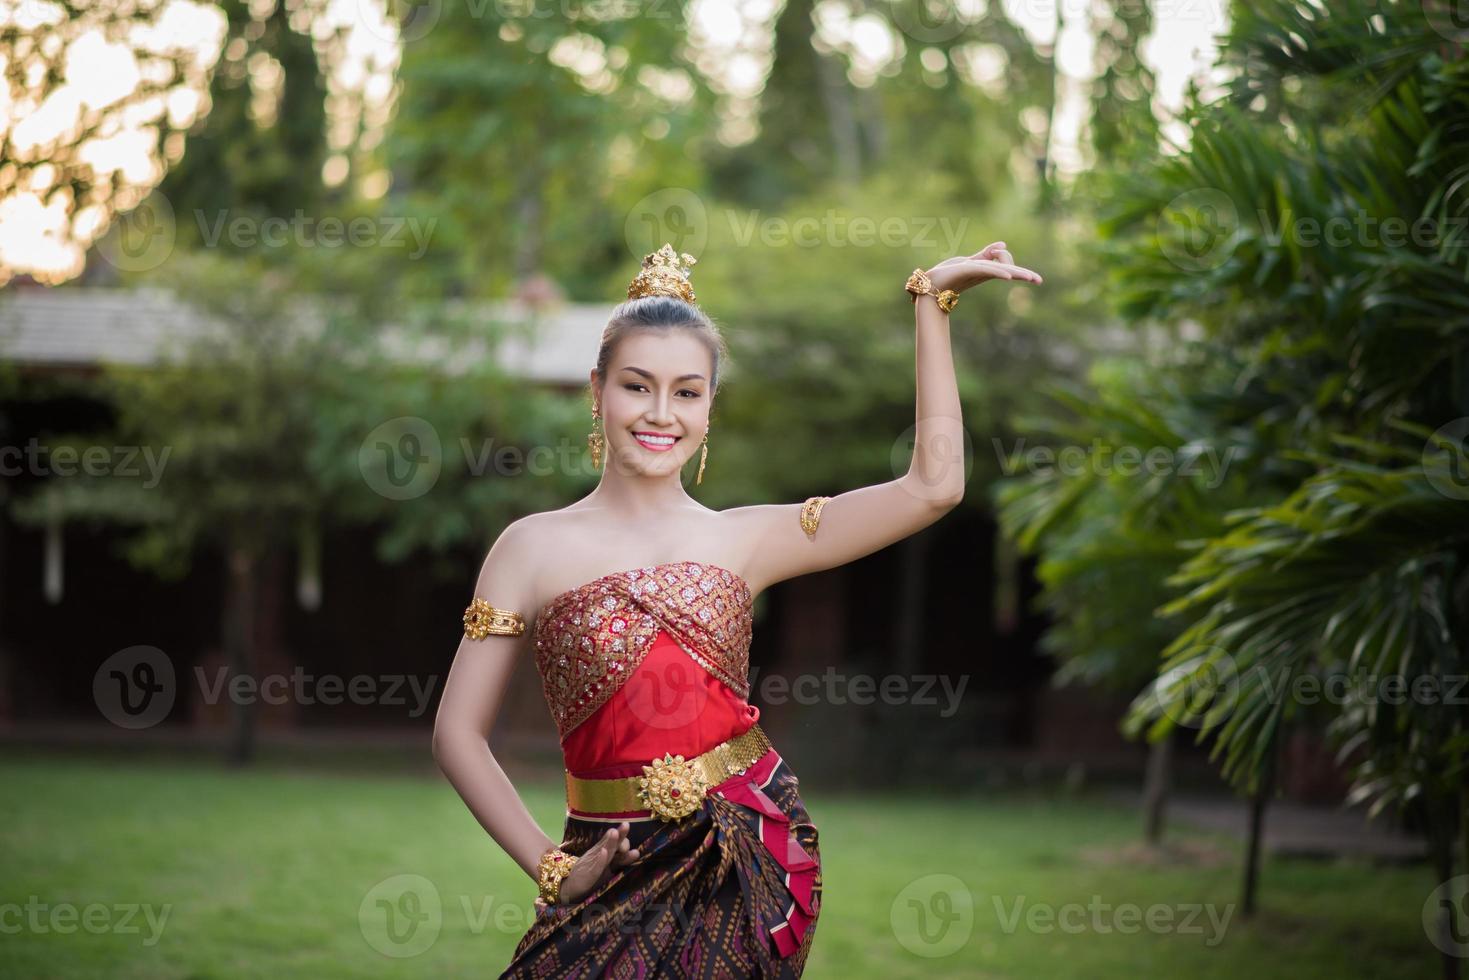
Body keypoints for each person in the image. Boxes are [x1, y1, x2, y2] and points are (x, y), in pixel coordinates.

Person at [432, 241, 1043, 977]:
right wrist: (553, 869)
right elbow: (457, 735)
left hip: (745, 854)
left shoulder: (745, 539)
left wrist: (930, 304)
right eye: (636, 386)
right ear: (596, 390)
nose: (660, 414)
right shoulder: (527, 548)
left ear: (709, 406)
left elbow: (931, 488)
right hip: (605, 858)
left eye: (686, 392)